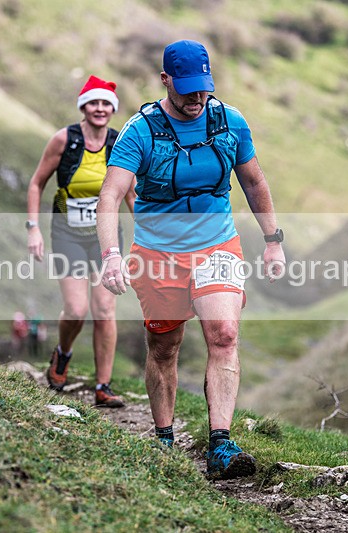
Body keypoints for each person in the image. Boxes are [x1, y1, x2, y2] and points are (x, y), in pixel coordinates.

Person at [97, 40, 286, 479]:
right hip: (158, 252)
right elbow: (110, 196)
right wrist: (110, 255)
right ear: (165, 81)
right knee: (165, 346)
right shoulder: (139, 132)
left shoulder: (229, 122)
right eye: (186, 90)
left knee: (223, 333)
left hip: (217, 244)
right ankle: (164, 438)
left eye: (203, 89)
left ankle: (220, 443)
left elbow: (254, 182)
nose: (196, 99)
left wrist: (273, 239)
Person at [26, 75, 134, 408]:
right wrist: (33, 228)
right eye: (94, 103)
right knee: (76, 309)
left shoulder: (120, 143)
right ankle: (63, 353)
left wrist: (149, 234)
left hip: (105, 235)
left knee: (105, 309)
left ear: (112, 109)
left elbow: (130, 192)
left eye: (106, 104)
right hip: (68, 232)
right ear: (83, 107)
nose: (100, 109)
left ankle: (104, 385)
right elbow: (36, 184)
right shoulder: (64, 140)